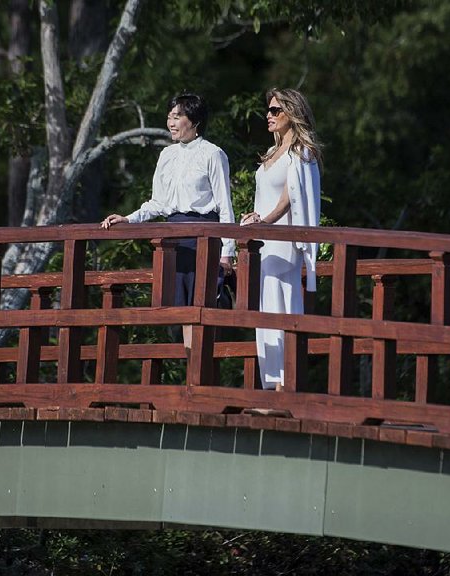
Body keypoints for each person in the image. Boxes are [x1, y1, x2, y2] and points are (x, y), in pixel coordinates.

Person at [101, 93, 235, 355]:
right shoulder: (166, 155)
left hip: (204, 236)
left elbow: (225, 206)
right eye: (169, 117)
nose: (171, 122)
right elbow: (158, 203)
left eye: (177, 117)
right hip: (174, 239)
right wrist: (129, 218)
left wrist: (227, 252)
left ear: (194, 121)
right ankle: (192, 373)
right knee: (183, 313)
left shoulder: (213, 154)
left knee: (204, 309)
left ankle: (202, 376)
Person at [240, 88, 322, 391]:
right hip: (264, 244)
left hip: (283, 242)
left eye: (276, 111)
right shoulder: (271, 153)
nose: (269, 116)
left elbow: (292, 197)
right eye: (269, 111)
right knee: (266, 313)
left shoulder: (300, 153)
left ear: (292, 113)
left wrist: (266, 221)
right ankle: (270, 384)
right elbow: (267, 195)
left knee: (282, 309)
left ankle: (285, 385)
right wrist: (254, 217)